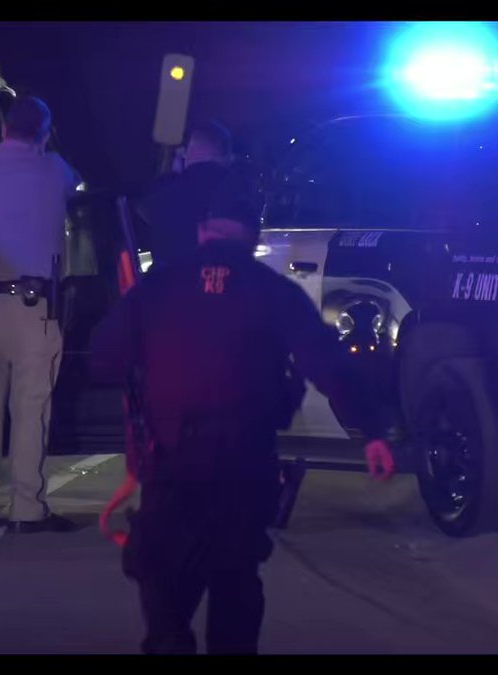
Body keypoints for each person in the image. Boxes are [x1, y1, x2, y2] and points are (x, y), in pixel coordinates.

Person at [89, 178, 397, 654]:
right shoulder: (274, 292)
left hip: (173, 466)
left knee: (165, 589)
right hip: (246, 465)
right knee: (235, 587)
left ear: (202, 233)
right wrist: (372, 432)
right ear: (251, 238)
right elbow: (327, 364)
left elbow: (104, 357)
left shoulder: (160, 286)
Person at [0, 96, 82, 534]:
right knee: (31, 410)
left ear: (4, 128)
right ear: (44, 133)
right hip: (35, 307)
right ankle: (27, 507)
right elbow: (75, 188)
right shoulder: (54, 170)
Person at [136, 121, 233, 270]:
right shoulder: (236, 188)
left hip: (171, 286)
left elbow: (142, 214)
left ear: (191, 151)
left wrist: (172, 175)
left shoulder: (165, 195)